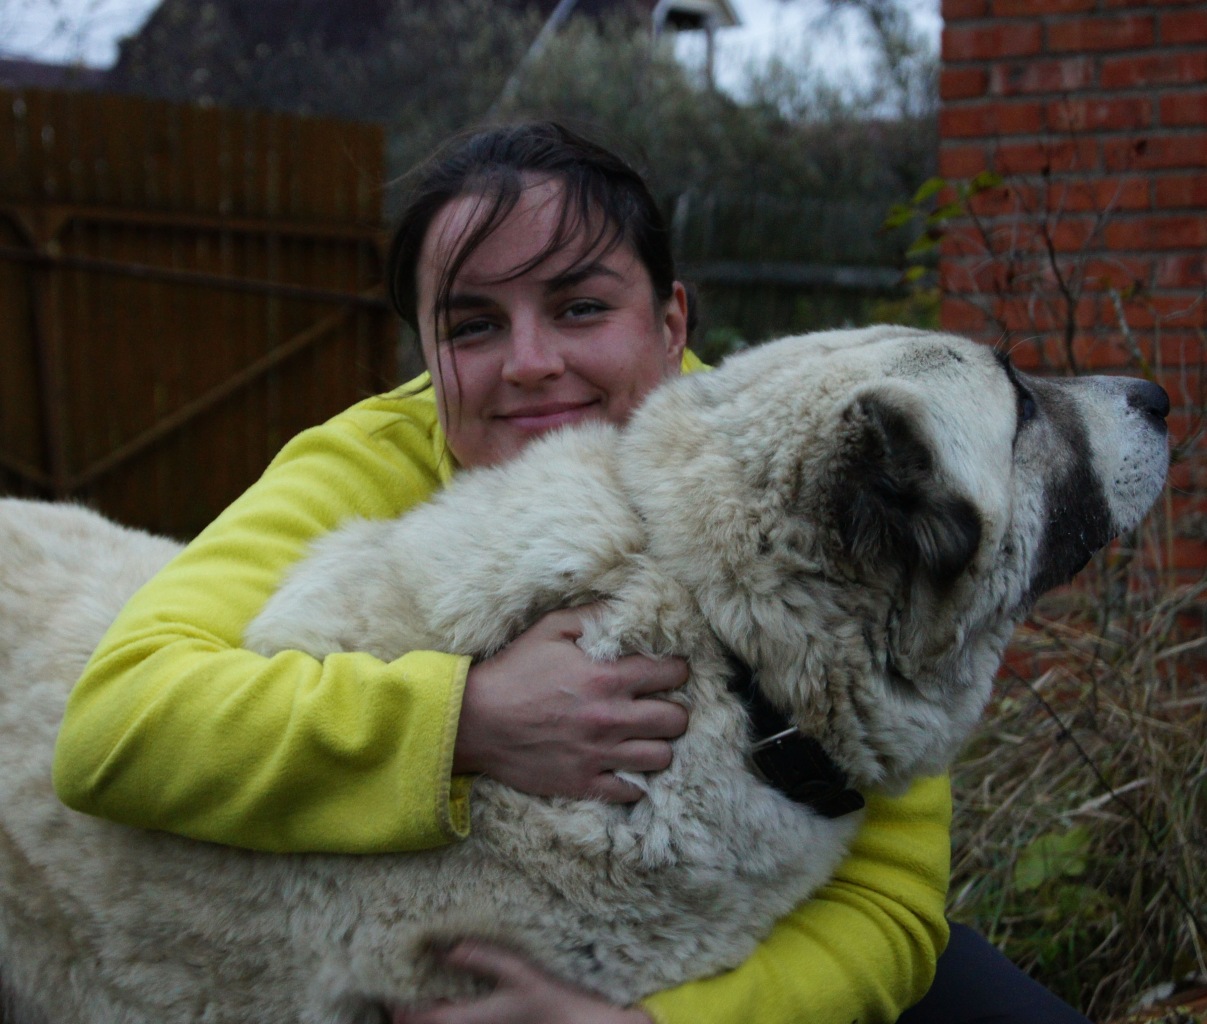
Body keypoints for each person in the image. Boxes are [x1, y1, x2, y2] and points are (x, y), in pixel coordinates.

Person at [52, 120, 1086, 1024]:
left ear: (670, 323)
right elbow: (118, 721)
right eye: (472, 325)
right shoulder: (369, 461)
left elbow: (889, 903)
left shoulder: (794, 482)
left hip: (746, 962)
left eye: (580, 307)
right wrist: (463, 721)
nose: (529, 362)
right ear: (426, 353)